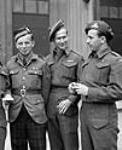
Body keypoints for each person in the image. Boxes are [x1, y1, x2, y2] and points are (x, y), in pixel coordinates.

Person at [68, 20, 122, 150]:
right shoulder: (89, 60)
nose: (87, 41)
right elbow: (88, 83)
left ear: (102, 39)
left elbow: (118, 91)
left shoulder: (114, 61)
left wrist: (88, 91)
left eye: (91, 38)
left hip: (103, 122)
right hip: (86, 119)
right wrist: (76, 88)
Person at [6, 26, 51, 150]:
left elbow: (46, 91)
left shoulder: (42, 64)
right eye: (20, 43)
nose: (24, 46)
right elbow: (7, 86)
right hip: (16, 112)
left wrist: (40, 105)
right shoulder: (10, 64)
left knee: (38, 146)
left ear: (33, 43)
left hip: (36, 112)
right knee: (18, 147)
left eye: (27, 43)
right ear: (16, 45)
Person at [45, 19, 83, 150]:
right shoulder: (47, 60)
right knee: (54, 142)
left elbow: (81, 83)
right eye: (59, 38)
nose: (62, 41)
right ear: (54, 41)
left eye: (64, 37)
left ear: (68, 36)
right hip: (51, 103)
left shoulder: (77, 58)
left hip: (68, 103)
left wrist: (70, 100)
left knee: (70, 142)